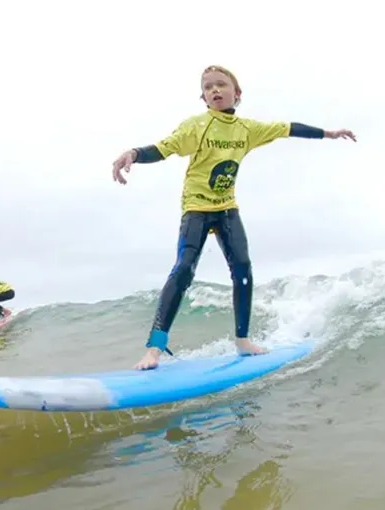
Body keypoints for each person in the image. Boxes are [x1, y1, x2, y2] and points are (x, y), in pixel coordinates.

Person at [111, 65, 357, 371]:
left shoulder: (247, 130)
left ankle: (242, 341)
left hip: (227, 208)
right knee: (184, 269)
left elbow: (287, 128)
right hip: (197, 208)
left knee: (242, 269)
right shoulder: (195, 126)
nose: (214, 90)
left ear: (236, 93)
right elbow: (164, 148)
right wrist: (133, 153)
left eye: (221, 85)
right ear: (202, 97)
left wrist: (328, 134)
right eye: (208, 87)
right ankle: (154, 349)